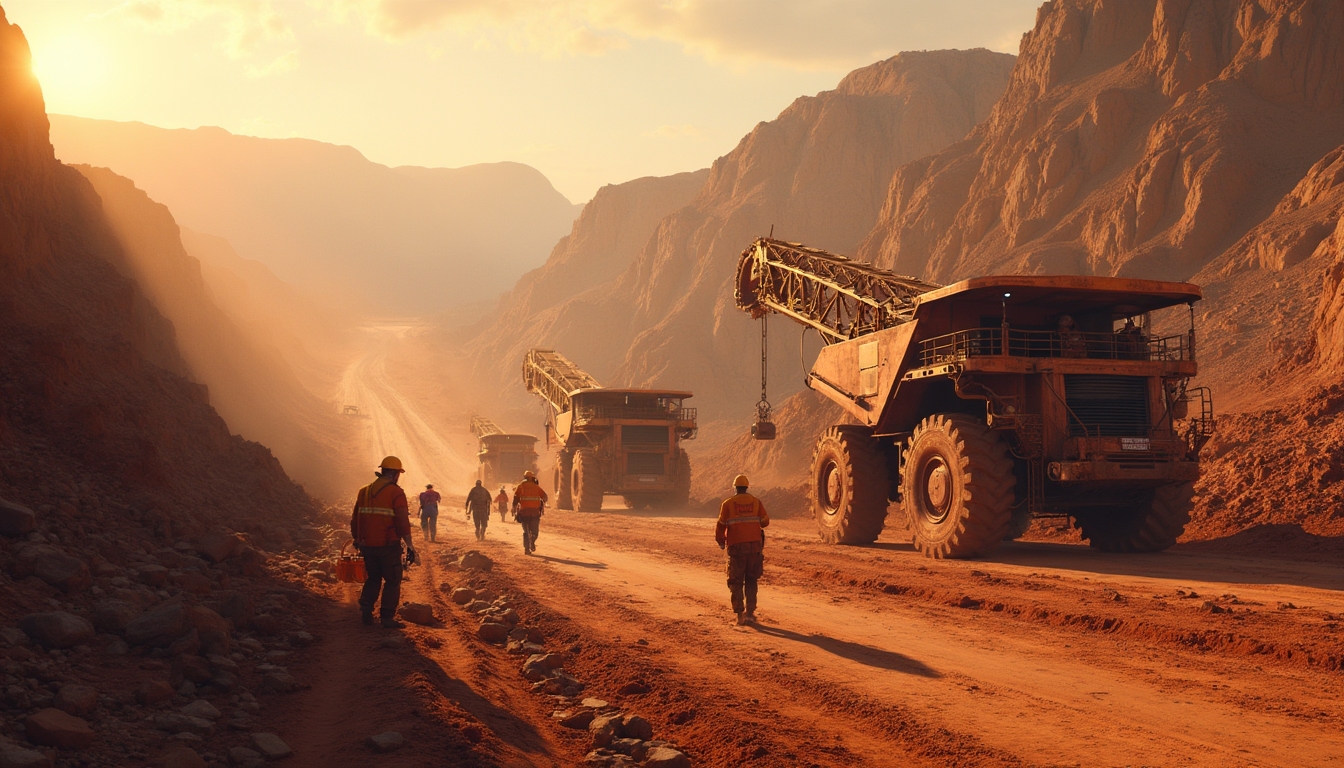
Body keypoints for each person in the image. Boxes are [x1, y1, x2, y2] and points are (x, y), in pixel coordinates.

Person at [350, 456, 417, 629]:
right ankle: (387, 618)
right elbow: (402, 521)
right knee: (393, 580)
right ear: (395, 473)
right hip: (388, 545)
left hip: (366, 545)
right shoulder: (396, 492)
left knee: (373, 577)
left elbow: (355, 518)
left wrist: (357, 539)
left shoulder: (363, 491)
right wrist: (410, 545)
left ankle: (366, 607)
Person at [715, 474, 770, 626]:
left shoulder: (728, 504)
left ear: (735, 488)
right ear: (747, 487)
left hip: (736, 549)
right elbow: (765, 522)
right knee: (751, 580)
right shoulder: (756, 502)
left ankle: (739, 614)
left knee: (736, 581)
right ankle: (750, 613)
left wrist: (721, 541)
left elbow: (720, 525)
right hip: (754, 548)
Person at [512, 470, 548, 555]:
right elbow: (545, 497)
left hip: (524, 513)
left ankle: (527, 549)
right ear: (532, 478)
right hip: (535, 513)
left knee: (526, 532)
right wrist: (543, 503)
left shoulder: (520, 487)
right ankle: (531, 541)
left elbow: (515, 499)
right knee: (535, 532)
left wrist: (514, 509)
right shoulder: (536, 487)